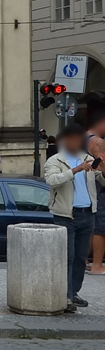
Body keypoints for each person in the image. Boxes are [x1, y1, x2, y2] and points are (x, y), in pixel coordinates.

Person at [44, 121, 103, 312]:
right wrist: (75, 170)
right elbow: (52, 181)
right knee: (67, 257)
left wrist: (102, 167)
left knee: (80, 257)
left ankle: (74, 292)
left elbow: (102, 180)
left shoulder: (87, 157)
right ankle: (65, 296)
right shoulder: (55, 161)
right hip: (66, 215)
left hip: (88, 213)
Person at [86, 111, 105, 275]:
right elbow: (103, 162)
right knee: (100, 229)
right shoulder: (97, 141)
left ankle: (85, 261)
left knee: (92, 227)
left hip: (90, 185)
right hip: (100, 186)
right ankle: (97, 265)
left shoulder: (84, 139)